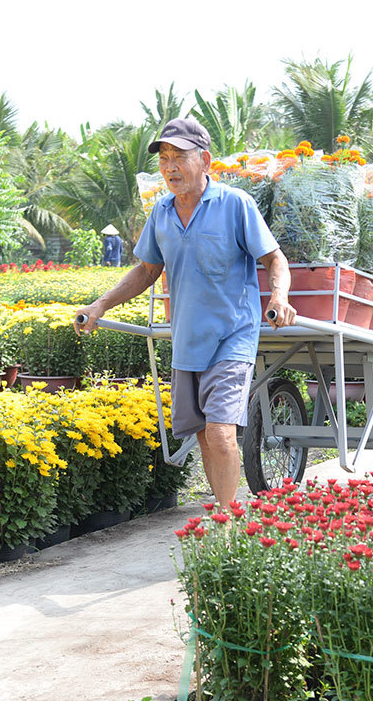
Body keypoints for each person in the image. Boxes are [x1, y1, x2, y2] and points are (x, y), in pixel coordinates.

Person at [76, 117, 295, 510]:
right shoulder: (161, 212)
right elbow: (146, 271)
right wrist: (99, 305)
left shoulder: (235, 205)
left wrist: (279, 297)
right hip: (187, 342)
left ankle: (228, 525)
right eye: (164, 158)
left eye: (179, 156)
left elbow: (274, 259)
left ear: (205, 160)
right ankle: (224, 514)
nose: (170, 166)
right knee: (204, 435)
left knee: (222, 432)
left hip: (233, 336)